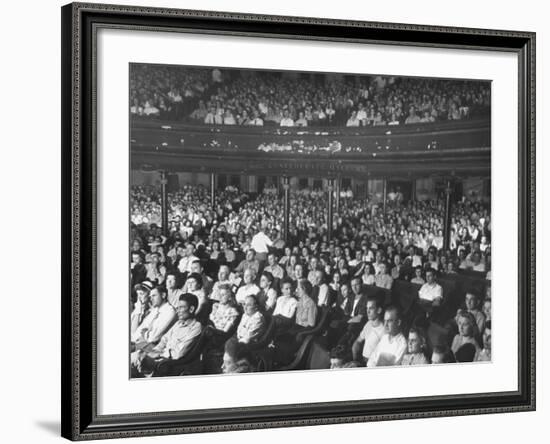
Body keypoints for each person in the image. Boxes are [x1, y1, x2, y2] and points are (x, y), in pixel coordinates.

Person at [130, 293, 202, 377]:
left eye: (181, 307)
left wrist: (158, 354)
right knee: (135, 356)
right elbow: (164, 340)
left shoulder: (196, 327)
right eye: (177, 308)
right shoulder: (178, 324)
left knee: (135, 360)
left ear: (191, 309)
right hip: (160, 358)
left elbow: (179, 353)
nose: (177, 311)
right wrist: (152, 352)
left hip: (171, 364)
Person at [351, 296, 385, 365]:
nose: (367, 311)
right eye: (367, 308)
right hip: (362, 360)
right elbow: (357, 342)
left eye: (371, 308)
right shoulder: (368, 324)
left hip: (372, 363)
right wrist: (355, 360)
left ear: (379, 310)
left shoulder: (383, 330)